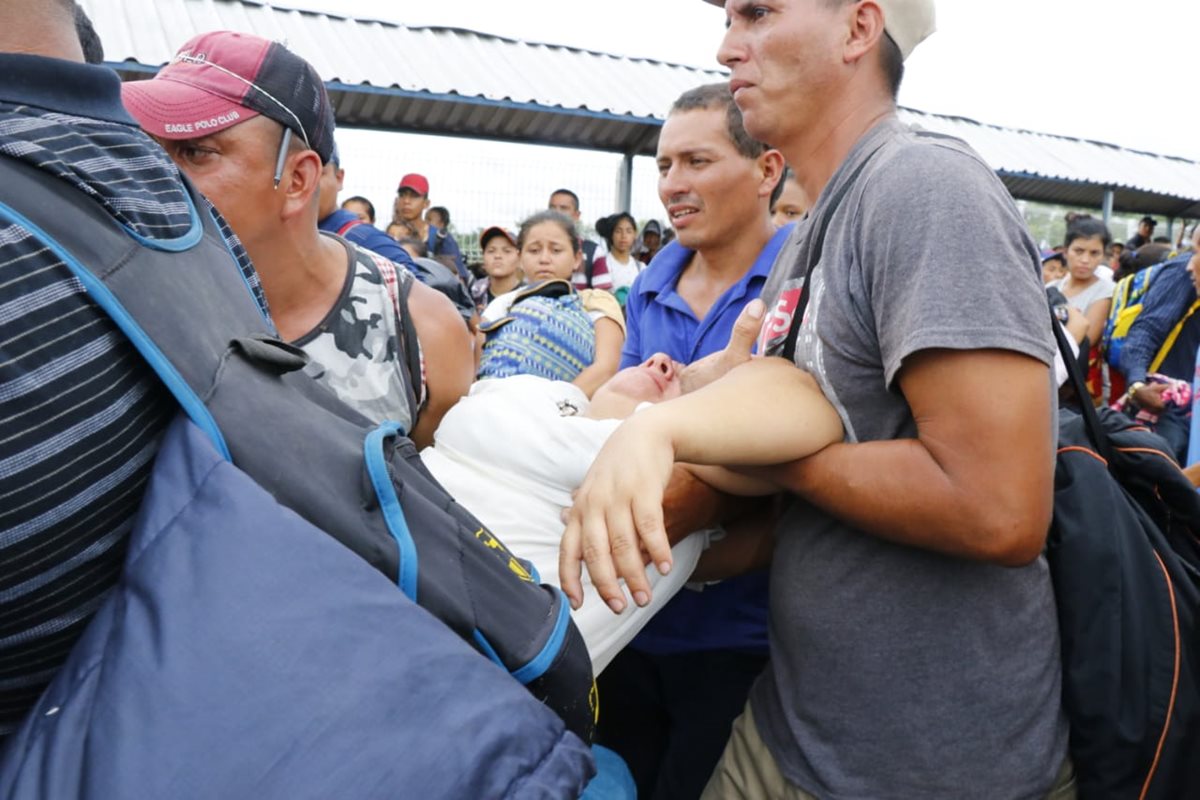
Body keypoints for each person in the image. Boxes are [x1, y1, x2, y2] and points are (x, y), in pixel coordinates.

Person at [562, 1, 1072, 797]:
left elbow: (997, 506)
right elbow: (824, 458)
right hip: (795, 727)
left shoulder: (924, 187)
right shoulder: (813, 229)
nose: (728, 46)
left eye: (758, 12)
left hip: (927, 766)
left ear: (859, 28)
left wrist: (757, 450)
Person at [123, 31, 474, 449]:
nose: (156, 174)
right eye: (149, 148)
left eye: (195, 152)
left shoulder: (419, 331)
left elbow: (433, 500)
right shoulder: (132, 301)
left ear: (296, 179)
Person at [595, 81, 788, 800]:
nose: (673, 186)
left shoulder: (803, 278)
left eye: (696, 162)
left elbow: (778, 450)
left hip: (742, 639)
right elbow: (613, 426)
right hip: (629, 626)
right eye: (664, 166)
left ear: (767, 169)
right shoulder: (649, 284)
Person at [420, 355, 843, 675]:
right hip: (375, 564)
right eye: (662, 362)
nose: (663, 362)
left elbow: (813, 413)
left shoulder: (670, 483)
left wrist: (657, 427)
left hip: (452, 672)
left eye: (678, 379)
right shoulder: (538, 392)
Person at [478, 210, 625, 397]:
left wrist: (550, 408)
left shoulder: (595, 304)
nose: (544, 259)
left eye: (556, 250)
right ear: (520, 258)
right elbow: (482, 365)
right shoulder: (502, 305)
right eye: (534, 250)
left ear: (577, 258)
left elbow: (605, 369)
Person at [1118, 241, 1200, 463]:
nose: (1190, 264)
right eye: (1195, 250)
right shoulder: (1181, 273)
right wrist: (1137, 384)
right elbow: (1147, 329)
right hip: (1171, 410)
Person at [1049, 217, 1114, 403]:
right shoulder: (1053, 287)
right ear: (1065, 251)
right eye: (1079, 251)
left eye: (1094, 253)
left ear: (1103, 256)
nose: (1085, 260)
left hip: (1078, 384)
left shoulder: (1106, 290)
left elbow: (1088, 337)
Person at [393, 172, 468, 283]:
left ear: (426, 203)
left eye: (414, 196)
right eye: (402, 195)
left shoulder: (441, 238)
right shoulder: (389, 235)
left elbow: (459, 281)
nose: (406, 201)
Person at [549, 188, 605, 286]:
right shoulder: (534, 250)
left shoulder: (594, 251)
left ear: (576, 215)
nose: (556, 213)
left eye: (563, 208)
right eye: (552, 208)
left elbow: (602, 297)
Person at [591, 212, 643, 305]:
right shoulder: (601, 265)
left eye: (628, 231)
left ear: (635, 234)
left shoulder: (641, 268)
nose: (623, 236)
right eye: (618, 231)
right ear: (611, 234)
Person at [471, 224, 522, 309]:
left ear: (519, 257)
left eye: (507, 251)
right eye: (491, 251)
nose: (497, 256)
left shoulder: (527, 296)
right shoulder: (474, 293)